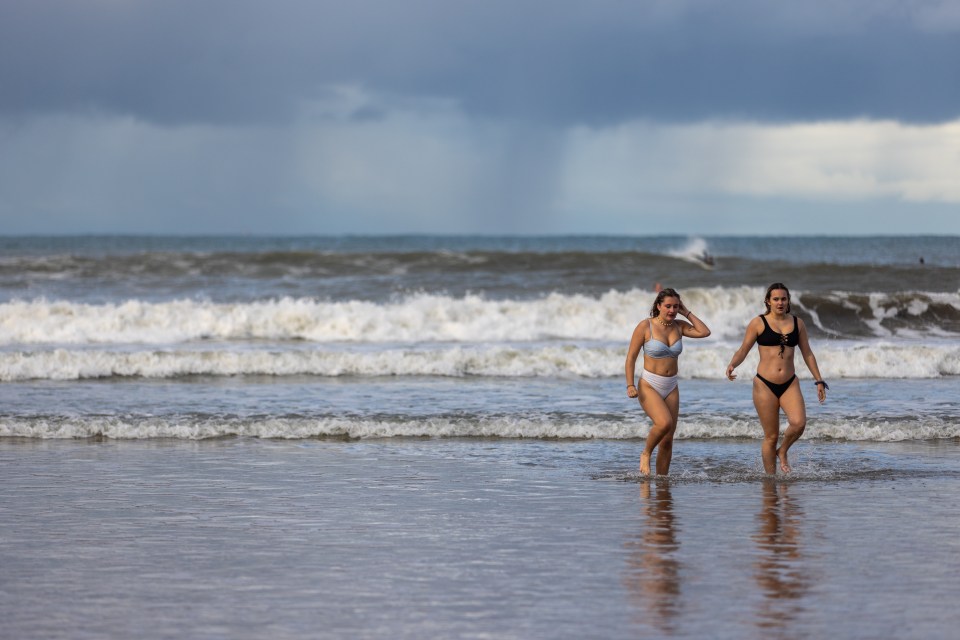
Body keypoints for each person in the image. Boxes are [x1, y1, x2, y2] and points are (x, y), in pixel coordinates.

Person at [725, 283, 828, 474]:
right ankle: (770, 480)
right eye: (776, 299)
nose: (780, 302)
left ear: (788, 301)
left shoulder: (798, 323)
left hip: (790, 383)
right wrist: (733, 364)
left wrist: (819, 380)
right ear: (768, 301)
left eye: (783, 299)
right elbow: (743, 349)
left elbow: (808, 354)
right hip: (764, 384)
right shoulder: (758, 323)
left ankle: (783, 452)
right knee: (771, 436)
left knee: (799, 423)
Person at [625, 288, 711, 475]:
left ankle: (661, 481)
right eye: (668, 306)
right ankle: (646, 453)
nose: (672, 310)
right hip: (649, 384)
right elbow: (631, 357)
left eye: (675, 306)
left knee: (668, 439)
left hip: (671, 386)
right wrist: (630, 384)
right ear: (658, 306)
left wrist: (686, 312)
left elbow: (705, 332)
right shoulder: (645, 326)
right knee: (664, 423)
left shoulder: (679, 326)